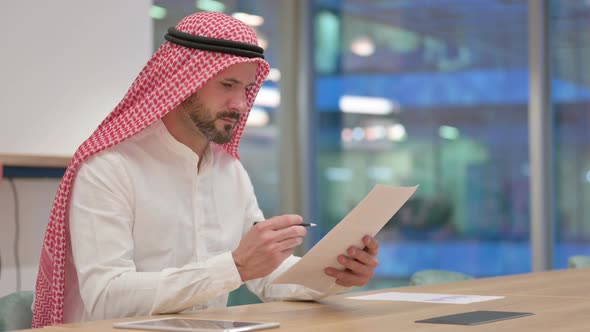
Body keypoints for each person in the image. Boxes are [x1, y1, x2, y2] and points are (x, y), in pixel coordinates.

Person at [32, 12, 380, 327]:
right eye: (227, 85)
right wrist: (236, 266)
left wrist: (332, 274)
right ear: (181, 81)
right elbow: (106, 299)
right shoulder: (110, 169)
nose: (241, 104)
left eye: (246, 88)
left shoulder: (229, 171)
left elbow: (265, 277)